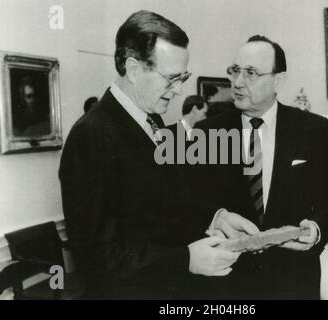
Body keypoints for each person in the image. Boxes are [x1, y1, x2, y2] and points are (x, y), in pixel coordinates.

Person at [59, 11, 257, 299]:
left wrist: (216, 218)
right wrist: (186, 260)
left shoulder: (153, 121)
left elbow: (169, 204)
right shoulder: (91, 135)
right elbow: (97, 257)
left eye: (183, 77)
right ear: (133, 69)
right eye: (171, 78)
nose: (178, 90)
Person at [192, 35, 328, 299]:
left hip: (294, 281)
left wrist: (316, 230)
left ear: (278, 80)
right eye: (235, 71)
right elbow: (190, 203)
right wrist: (214, 217)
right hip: (227, 285)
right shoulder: (207, 132)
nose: (238, 82)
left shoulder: (313, 129)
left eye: (251, 73)